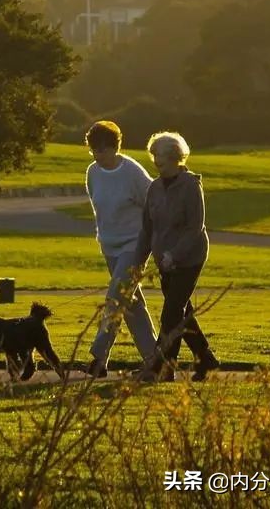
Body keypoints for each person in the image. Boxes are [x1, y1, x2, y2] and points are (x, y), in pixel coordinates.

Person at [134, 131, 220, 383]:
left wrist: (175, 254)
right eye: (153, 155)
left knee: (171, 312)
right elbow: (147, 229)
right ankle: (206, 359)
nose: (155, 159)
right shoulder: (154, 188)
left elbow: (195, 227)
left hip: (189, 258)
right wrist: (139, 262)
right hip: (165, 260)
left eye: (159, 154)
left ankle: (162, 367)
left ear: (174, 156)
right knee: (181, 314)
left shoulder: (191, 186)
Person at [83, 121, 158, 377]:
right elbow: (98, 208)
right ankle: (155, 360)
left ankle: (98, 355)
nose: (98, 155)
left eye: (102, 150)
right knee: (132, 305)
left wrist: (149, 241)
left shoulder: (132, 173)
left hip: (134, 246)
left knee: (116, 299)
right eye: (94, 150)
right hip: (110, 247)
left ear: (115, 147)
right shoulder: (92, 172)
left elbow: (154, 203)